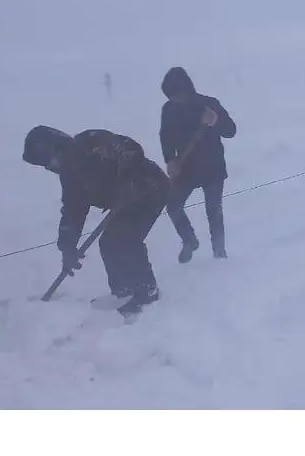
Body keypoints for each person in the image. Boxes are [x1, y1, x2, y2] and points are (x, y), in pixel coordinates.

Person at [22, 125, 170, 316]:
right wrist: (68, 247)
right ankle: (122, 292)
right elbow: (73, 210)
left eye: (48, 162)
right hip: (124, 201)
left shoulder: (92, 142)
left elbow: (130, 149)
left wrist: (129, 178)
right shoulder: (70, 175)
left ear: (54, 149)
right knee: (109, 242)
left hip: (149, 189)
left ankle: (147, 291)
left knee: (126, 239)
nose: (50, 167)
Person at [158, 66, 237, 263]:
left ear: (187, 89)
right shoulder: (168, 110)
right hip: (186, 168)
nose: (174, 99)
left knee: (213, 211)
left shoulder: (209, 105)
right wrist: (170, 160)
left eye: (176, 94)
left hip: (212, 167)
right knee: (173, 205)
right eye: (170, 96)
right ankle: (189, 240)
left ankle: (219, 253)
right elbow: (165, 137)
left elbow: (231, 130)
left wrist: (216, 121)